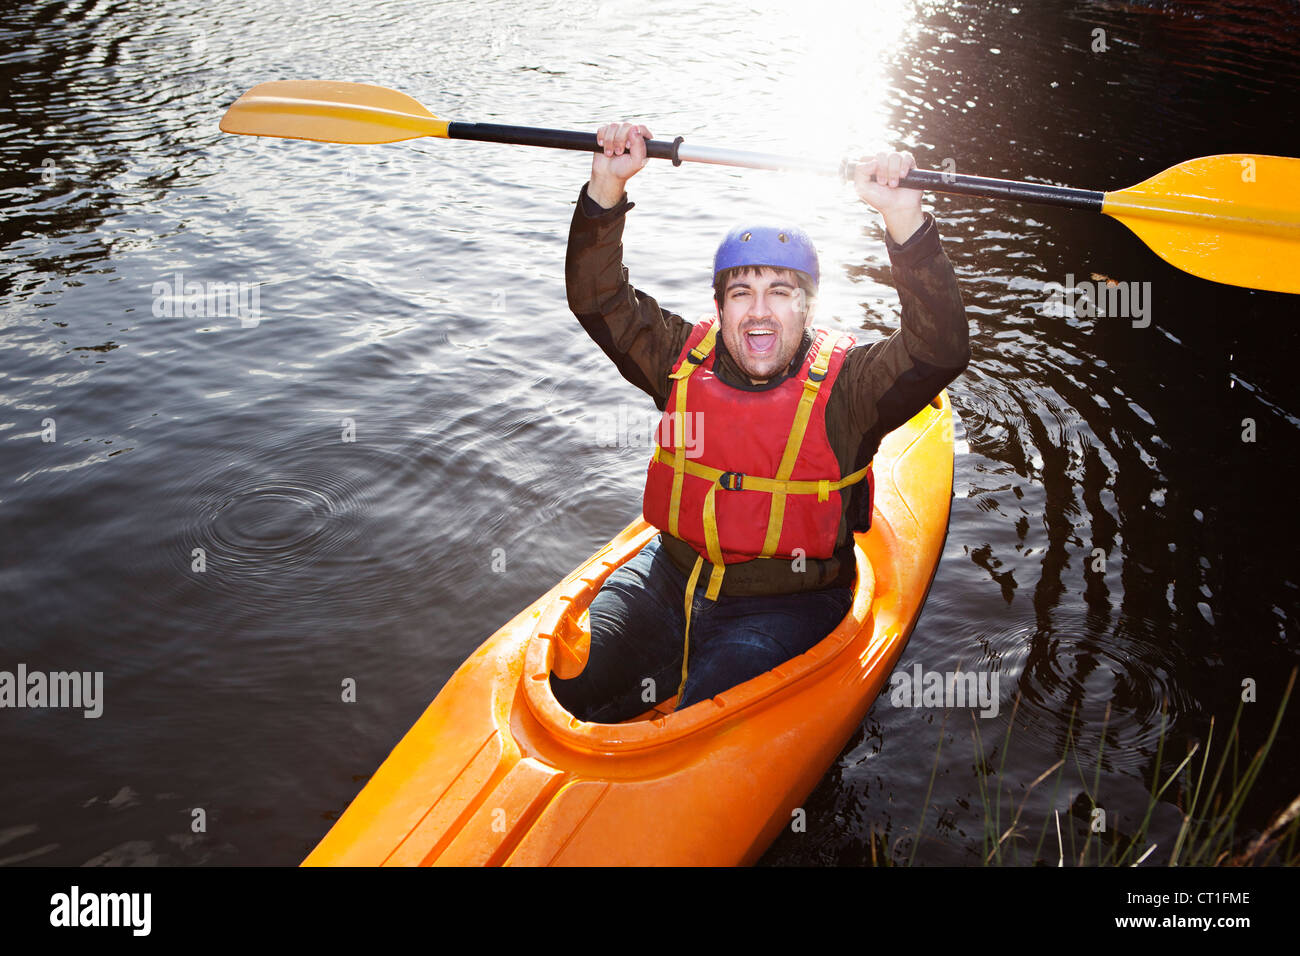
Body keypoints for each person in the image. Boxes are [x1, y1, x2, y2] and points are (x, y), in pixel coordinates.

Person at [551, 121, 969, 723]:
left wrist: (904, 221)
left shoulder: (849, 387)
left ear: (807, 307)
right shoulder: (677, 358)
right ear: (719, 309)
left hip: (785, 603)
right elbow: (598, 298)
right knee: (571, 679)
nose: (760, 310)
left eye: (781, 291)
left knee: (703, 716)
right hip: (671, 576)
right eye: (741, 292)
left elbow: (938, 350)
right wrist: (605, 189)